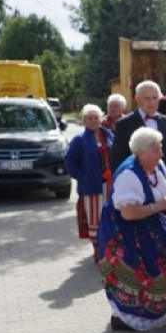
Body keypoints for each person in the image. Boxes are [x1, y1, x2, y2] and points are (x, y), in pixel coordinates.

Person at [97, 127, 166, 332]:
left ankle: (156, 314)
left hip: (151, 223)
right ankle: (126, 318)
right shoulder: (129, 174)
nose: (161, 154)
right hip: (125, 231)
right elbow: (128, 213)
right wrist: (161, 205)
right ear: (141, 153)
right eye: (156, 150)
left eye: (160, 149)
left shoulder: (157, 165)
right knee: (136, 273)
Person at [109, 81, 166, 200]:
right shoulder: (124, 124)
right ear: (137, 99)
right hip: (136, 185)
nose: (152, 102)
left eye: (155, 98)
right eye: (147, 98)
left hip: (163, 185)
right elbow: (117, 158)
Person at [64, 104, 114, 259]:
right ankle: (98, 251)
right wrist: (84, 177)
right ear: (84, 121)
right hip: (92, 187)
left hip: (111, 185)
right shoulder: (79, 140)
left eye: (96, 117)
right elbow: (70, 162)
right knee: (95, 219)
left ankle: (111, 250)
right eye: (89, 118)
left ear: (101, 119)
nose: (93, 120)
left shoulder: (109, 135)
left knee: (111, 217)